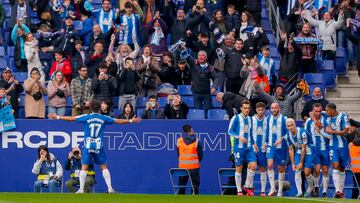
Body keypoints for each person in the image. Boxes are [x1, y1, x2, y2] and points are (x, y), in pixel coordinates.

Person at [48, 100, 141, 193]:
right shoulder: (104, 118)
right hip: (98, 145)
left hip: (88, 145)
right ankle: (110, 188)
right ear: (100, 108)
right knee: (104, 167)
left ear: (91, 108)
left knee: (84, 167)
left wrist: (57, 116)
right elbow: (118, 121)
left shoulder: (86, 117)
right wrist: (131, 120)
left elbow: (71, 119)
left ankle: (81, 189)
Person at [228, 100, 257, 196]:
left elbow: (251, 133)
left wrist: (254, 144)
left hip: (249, 147)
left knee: (253, 165)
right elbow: (230, 131)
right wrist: (238, 137)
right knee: (239, 168)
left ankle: (247, 186)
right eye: (245, 108)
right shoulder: (236, 118)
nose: (247, 110)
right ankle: (239, 190)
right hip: (239, 148)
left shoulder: (250, 119)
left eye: (248, 108)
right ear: (241, 108)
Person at [284, 118, 316, 197]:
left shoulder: (302, 132)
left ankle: (311, 186)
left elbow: (304, 148)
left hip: (309, 150)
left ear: (295, 124)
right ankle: (299, 192)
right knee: (296, 169)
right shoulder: (287, 135)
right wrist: (293, 163)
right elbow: (291, 150)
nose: (291, 127)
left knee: (306, 172)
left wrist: (301, 162)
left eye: (292, 125)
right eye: (289, 126)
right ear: (287, 127)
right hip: (299, 150)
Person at [324, 103, 350, 198]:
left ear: (332, 110)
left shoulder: (343, 117)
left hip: (343, 146)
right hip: (332, 146)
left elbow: (345, 131)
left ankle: (341, 192)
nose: (326, 112)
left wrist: (333, 132)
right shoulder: (327, 118)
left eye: (327, 110)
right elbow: (312, 112)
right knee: (335, 165)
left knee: (342, 168)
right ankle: (338, 190)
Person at [306, 103, 331, 197]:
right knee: (317, 169)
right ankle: (316, 186)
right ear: (313, 111)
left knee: (325, 170)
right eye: (316, 111)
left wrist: (320, 131)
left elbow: (329, 136)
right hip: (314, 149)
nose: (318, 113)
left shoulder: (326, 120)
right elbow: (307, 135)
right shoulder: (309, 121)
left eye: (320, 111)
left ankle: (324, 192)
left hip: (324, 148)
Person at [266, 102, 287, 196]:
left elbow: (289, 133)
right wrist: (265, 142)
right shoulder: (268, 118)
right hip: (271, 146)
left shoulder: (284, 119)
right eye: (272, 108)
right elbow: (266, 131)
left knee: (280, 168)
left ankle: (280, 191)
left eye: (275, 108)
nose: (273, 110)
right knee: (269, 165)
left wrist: (281, 139)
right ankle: (272, 188)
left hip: (281, 148)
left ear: (279, 108)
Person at [177, 124, 203, 194]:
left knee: (181, 187)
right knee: (195, 187)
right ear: (191, 130)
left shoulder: (179, 141)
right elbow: (200, 155)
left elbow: (178, 154)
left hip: (182, 168)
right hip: (194, 167)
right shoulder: (197, 141)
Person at [251, 102, 268, 196]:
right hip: (253, 148)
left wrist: (266, 142)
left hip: (262, 149)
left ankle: (262, 191)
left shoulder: (267, 120)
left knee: (262, 168)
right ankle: (250, 189)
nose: (261, 112)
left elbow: (269, 133)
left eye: (262, 110)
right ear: (256, 110)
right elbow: (249, 133)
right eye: (259, 110)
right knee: (252, 167)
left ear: (264, 110)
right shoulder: (252, 119)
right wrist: (253, 143)